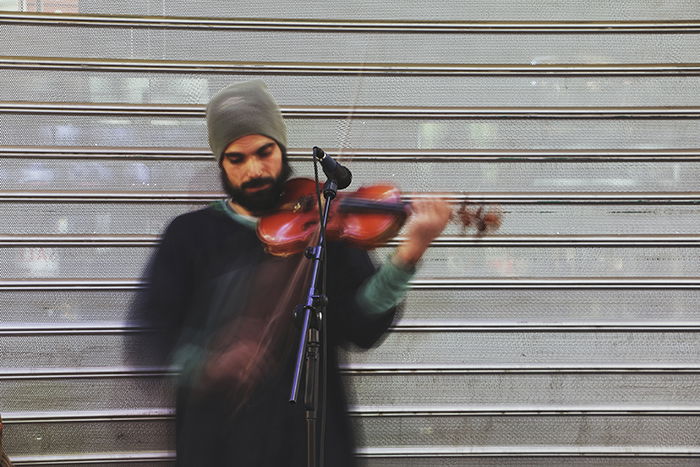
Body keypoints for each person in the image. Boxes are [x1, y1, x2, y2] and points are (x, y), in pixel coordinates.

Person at [134, 80, 451, 466]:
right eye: (237, 159)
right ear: (220, 163)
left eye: (264, 152)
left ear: (281, 149)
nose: (254, 169)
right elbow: (153, 339)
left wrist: (407, 257)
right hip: (217, 443)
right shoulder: (188, 236)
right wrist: (211, 363)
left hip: (311, 442)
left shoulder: (324, 221)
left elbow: (362, 324)